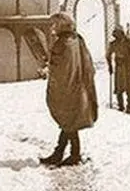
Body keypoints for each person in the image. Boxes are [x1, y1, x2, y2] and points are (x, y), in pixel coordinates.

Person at [40, 12, 98, 167]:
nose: (53, 28)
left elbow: (61, 67)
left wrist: (49, 65)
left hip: (67, 88)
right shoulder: (76, 40)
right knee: (70, 121)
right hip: (77, 87)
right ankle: (61, 153)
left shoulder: (62, 43)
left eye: (55, 24)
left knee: (68, 121)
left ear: (61, 25)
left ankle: (73, 154)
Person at [106, 27, 130, 113]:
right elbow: (108, 55)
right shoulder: (113, 44)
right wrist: (110, 66)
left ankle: (129, 106)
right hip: (119, 67)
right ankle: (120, 105)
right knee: (119, 87)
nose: (117, 36)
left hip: (128, 66)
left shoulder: (128, 42)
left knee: (129, 87)